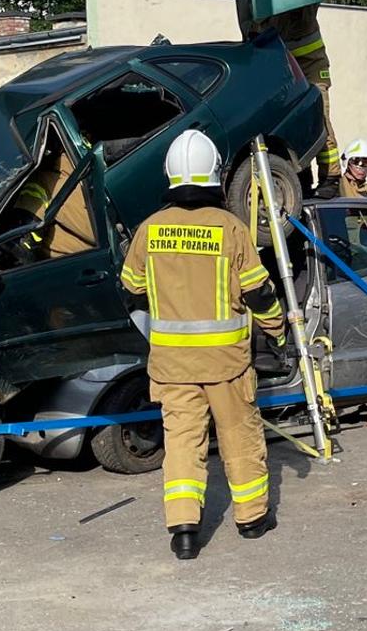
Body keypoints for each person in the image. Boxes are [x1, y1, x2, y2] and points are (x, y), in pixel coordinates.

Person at [119, 130, 287, 560]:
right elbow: (259, 294)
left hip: (171, 366)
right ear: (215, 173)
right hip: (226, 364)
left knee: (182, 443)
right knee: (240, 437)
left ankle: (184, 530)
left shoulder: (149, 230)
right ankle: (251, 519)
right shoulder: (230, 227)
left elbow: (131, 289)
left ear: (170, 174)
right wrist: (278, 334)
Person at [217, 0, 339, 182]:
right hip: (276, 69)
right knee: (285, 123)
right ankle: (301, 175)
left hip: (309, 65)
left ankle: (331, 176)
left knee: (319, 117)